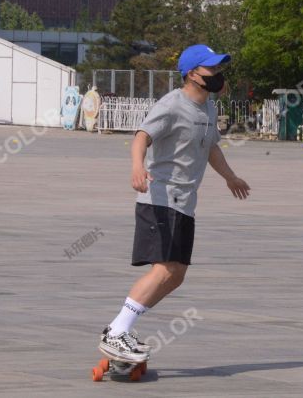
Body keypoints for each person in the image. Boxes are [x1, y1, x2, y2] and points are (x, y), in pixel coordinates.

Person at [98, 44, 251, 362]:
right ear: (193, 74)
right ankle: (117, 331)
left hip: (184, 203)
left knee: (177, 274)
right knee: (165, 267)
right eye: (212, 69)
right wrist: (137, 167)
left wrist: (230, 177)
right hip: (159, 198)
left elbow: (211, 148)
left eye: (220, 68)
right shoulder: (172, 104)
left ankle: (123, 328)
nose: (218, 75)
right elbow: (142, 136)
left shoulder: (208, 109)